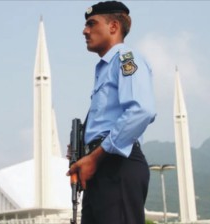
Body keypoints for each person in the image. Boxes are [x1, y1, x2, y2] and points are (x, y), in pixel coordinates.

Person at [66, 1, 156, 224]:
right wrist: (84, 150)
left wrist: (95, 156)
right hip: (99, 165)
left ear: (113, 26)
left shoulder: (126, 58)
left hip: (117, 163)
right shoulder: (104, 68)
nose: (85, 30)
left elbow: (141, 110)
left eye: (91, 23)